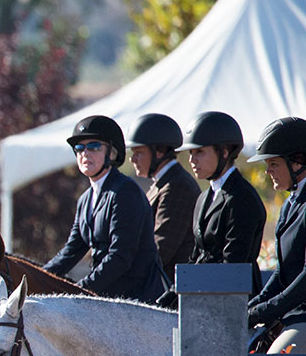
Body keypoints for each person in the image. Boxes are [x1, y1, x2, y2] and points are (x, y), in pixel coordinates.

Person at [45, 114, 165, 303]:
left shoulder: (125, 192)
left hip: (137, 301)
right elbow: (71, 251)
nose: (85, 153)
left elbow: (120, 256)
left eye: (93, 147)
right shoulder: (85, 199)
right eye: (79, 148)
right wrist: (37, 276)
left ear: (111, 153)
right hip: (105, 296)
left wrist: (80, 290)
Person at [177, 110, 265, 298]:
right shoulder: (203, 198)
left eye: (199, 152)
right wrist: (173, 293)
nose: (192, 160)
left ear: (224, 152)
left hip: (236, 302)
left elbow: (233, 265)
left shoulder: (242, 198)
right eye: (191, 153)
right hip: (202, 294)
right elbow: (196, 256)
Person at [246, 117, 306, 353]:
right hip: (289, 313)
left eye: (273, 164)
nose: (267, 171)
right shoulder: (290, 205)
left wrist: (266, 310)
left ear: (298, 161)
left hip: (303, 316)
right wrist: (252, 306)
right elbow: (282, 272)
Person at [125, 113, 199, 284]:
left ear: (159, 151)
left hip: (169, 290)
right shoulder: (162, 184)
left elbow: (160, 249)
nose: (132, 159)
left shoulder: (177, 186)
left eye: (138, 152)